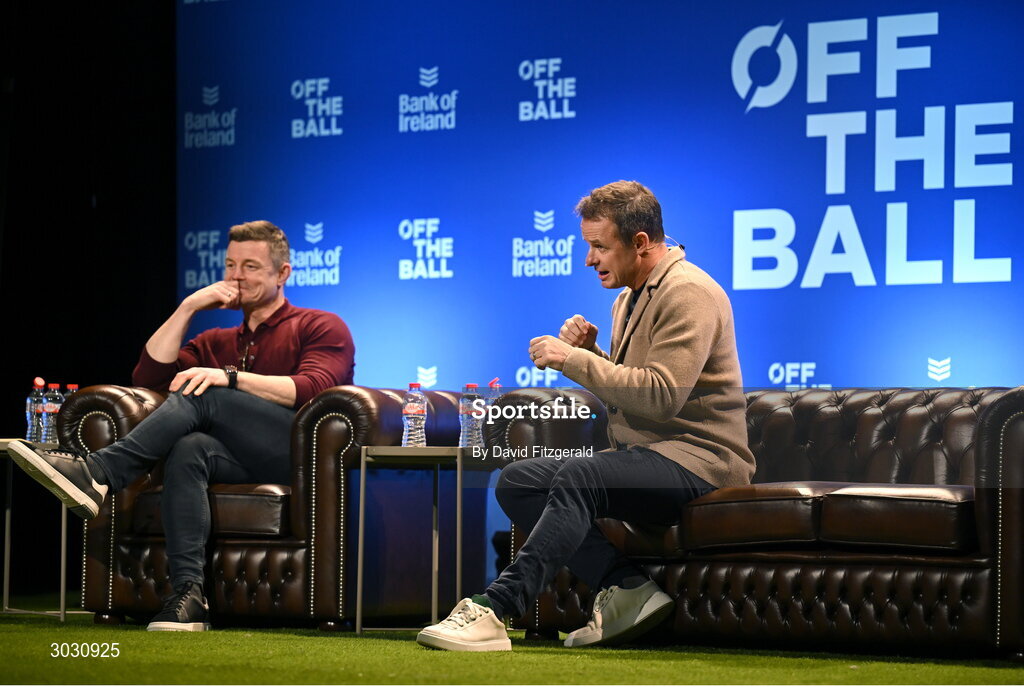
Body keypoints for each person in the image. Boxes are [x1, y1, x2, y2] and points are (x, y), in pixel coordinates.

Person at [417, 180, 754, 651]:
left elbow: (661, 397)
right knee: (518, 480)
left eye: (599, 246)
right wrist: (593, 351)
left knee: (580, 474)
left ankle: (496, 609)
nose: (589, 260)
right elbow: (634, 386)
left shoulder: (689, 291)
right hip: (649, 456)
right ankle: (628, 589)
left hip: (700, 464)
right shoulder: (629, 295)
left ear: (640, 242)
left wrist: (571, 360)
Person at [8, 220, 355, 632]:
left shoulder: (320, 325)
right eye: (230, 265)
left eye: (251, 266)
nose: (237, 276)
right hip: (239, 460)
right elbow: (150, 378)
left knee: (204, 388)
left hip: (298, 457)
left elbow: (313, 387)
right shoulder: (217, 340)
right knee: (190, 447)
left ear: (282, 274)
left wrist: (227, 379)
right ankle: (188, 595)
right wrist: (188, 307)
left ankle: (99, 472)